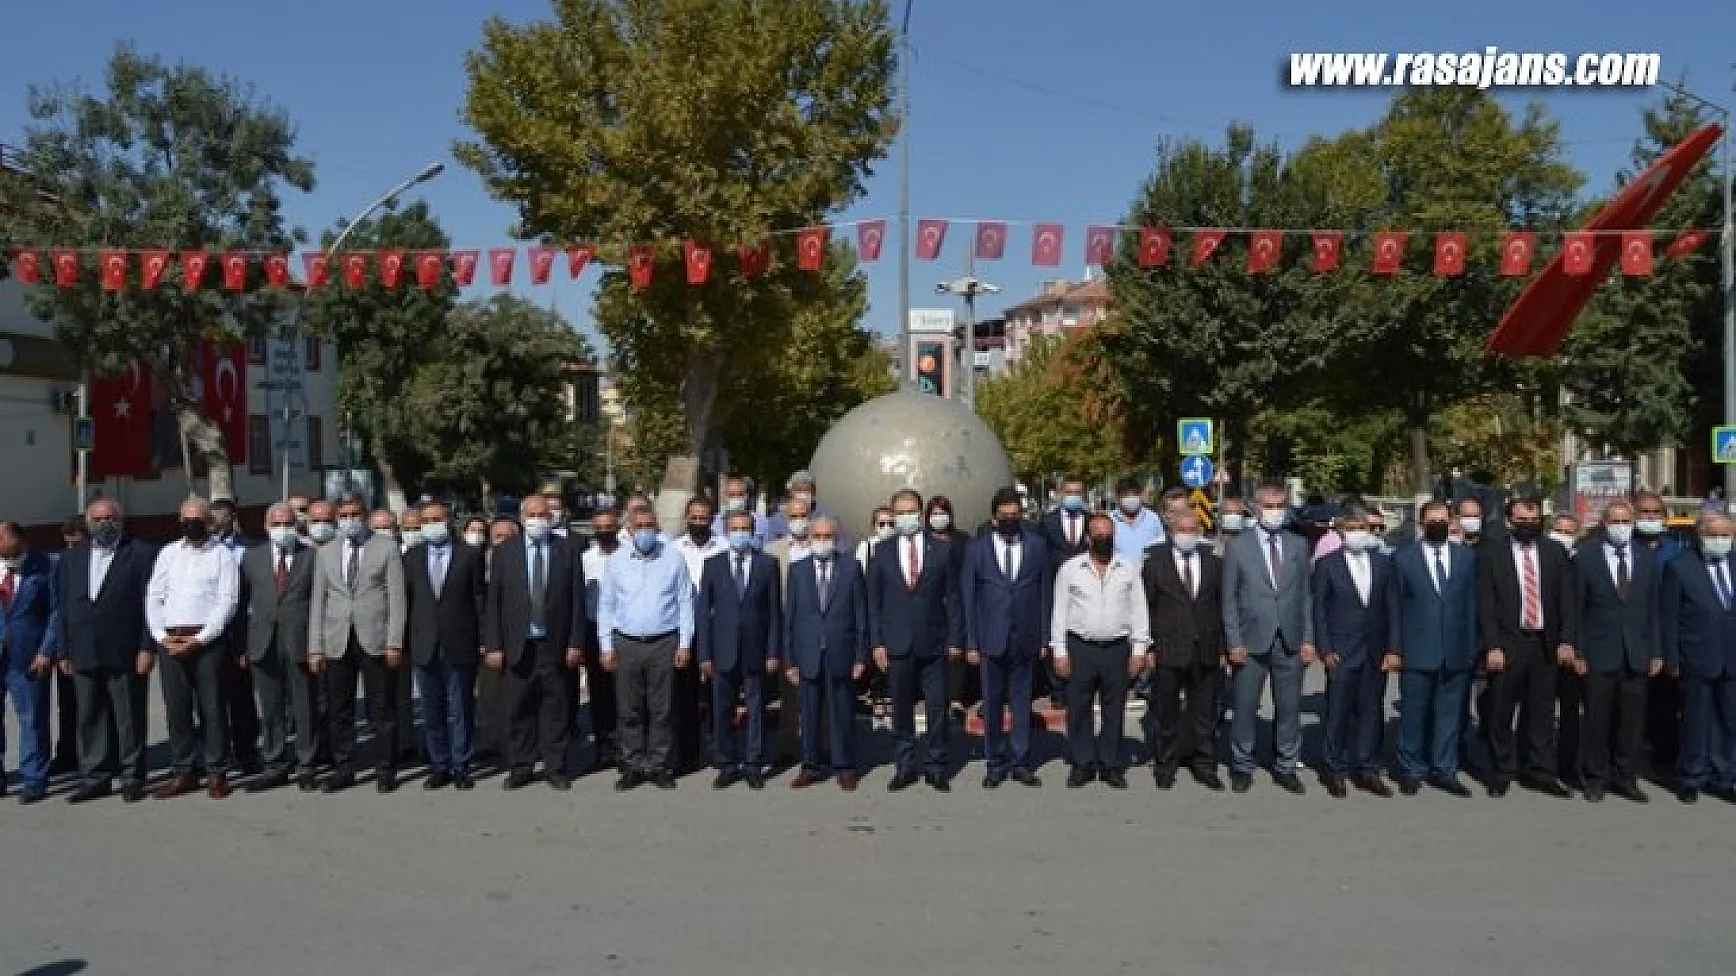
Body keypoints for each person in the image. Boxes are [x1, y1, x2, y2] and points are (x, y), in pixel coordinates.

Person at [1476, 498, 1577, 799]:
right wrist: (1492, 645)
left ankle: (1540, 770)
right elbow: (1486, 603)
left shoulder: (1554, 552)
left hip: (1544, 643)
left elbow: (1566, 602)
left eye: (1534, 520)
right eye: (1522, 521)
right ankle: (1501, 771)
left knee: (1542, 712)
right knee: (1501, 710)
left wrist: (1566, 640)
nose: (1529, 526)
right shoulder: (1493, 553)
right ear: (1509, 522)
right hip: (1509, 643)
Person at [483, 495, 585, 791]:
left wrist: (575, 642)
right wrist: (494, 645)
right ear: (521, 517)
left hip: (555, 642)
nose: (539, 520)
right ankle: (521, 766)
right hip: (518, 644)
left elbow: (577, 601)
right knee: (518, 708)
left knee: (556, 708)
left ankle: (556, 766)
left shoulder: (566, 550)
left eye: (544, 514)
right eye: (533, 515)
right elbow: (494, 603)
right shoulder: (505, 552)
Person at [308, 495, 408, 793]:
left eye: (354, 514)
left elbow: (397, 597)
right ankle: (344, 768)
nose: (349, 520)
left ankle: (385, 769)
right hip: (338, 639)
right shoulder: (326, 552)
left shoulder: (386, 547)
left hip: (375, 638)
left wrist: (394, 642)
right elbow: (318, 601)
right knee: (340, 709)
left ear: (364, 516)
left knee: (382, 709)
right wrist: (316, 646)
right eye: (344, 515)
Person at [59, 499, 156, 804]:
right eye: (98, 519)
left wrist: (146, 646)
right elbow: (62, 608)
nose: (104, 524)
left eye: (110, 518)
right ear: (88, 523)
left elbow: (150, 605)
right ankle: (95, 776)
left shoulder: (141, 554)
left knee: (128, 716)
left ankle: (132, 775)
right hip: (83, 648)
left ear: (121, 520)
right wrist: (64, 650)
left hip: (125, 650)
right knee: (89, 715)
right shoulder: (71, 559)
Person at [1221, 483, 1315, 794]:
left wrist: (1307, 639)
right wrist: (1233, 641)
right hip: (1250, 640)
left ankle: (1286, 765)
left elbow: (1305, 597)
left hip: (1289, 638)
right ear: (1256, 508)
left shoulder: (1298, 545)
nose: (1276, 511)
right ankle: (1242, 764)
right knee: (1245, 707)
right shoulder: (1238, 546)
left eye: (1280, 505)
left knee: (1288, 707)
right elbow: (1229, 600)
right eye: (1269, 505)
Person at [146, 497, 242, 800]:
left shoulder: (222, 556)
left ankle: (216, 772)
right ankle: (183, 771)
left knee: (212, 709)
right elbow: (154, 596)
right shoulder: (168, 554)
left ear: (209, 522)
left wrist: (200, 638)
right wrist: (162, 636)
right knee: (177, 710)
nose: (192, 523)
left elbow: (228, 602)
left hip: (207, 641)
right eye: (186, 518)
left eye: (198, 518)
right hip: (171, 641)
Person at [868, 489, 964, 791]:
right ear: (893, 516)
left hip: (934, 642)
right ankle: (905, 765)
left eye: (912, 512)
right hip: (897, 643)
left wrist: (955, 638)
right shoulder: (881, 551)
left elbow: (953, 597)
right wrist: (877, 643)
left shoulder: (942, 549)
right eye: (901, 513)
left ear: (921, 514)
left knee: (937, 709)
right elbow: (874, 602)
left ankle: (936, 765)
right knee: (901, 708)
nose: (907, 518)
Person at [598, 503, 695, 791]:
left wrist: (685, 643)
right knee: (629, 710)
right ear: (628, 530)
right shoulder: (616, 562)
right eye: (638, 527)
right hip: (626, 643)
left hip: (664, 642)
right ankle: (632, 765)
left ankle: (658, 765)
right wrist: (606, 646)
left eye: (649, 526)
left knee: (661, 709)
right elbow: (606, 605)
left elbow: (685, 602)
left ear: (657, 527)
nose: (644, 532)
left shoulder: (674, 559)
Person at [1051, 512, 1150, 788]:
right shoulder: (1071, 569)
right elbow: (1059, 612)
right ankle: (1082, 763)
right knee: (1079, 708)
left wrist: (1139, 649)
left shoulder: (1127, 569)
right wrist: (1059, 651)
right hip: (1080, 647)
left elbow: (1138, 610)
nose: (1104, 538)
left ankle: (1110, 763)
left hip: (1117, 648)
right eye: (1098, 533)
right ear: (1088, 538)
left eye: (1108, 533)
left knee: (1113, 708)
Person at [1570, 500, 1660, 803]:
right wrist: (1579, 652)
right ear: (1604, 523)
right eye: (1615, 521)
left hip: (1636, 653)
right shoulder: (1586, 557)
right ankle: (1596, 777)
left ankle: (1626, 777)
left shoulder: (1647, 559)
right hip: (1598, 653)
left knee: (1631, 723)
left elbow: (1653, 610)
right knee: (1597, 719)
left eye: (1626, 521)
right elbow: (1576, 609)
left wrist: (1656, 652)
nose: (1621, 526)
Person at [961, 487, 1050, 789]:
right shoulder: (977, 548)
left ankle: (1021, 762)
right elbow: (969, 597)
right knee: (993, 702)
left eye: (1016, 515)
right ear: (994, 517)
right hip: (991, 638)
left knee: (1022, 702)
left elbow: (1044, 593)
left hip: (1026, 637)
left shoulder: (1036, 545)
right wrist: (971, 642)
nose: (1011, 520)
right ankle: (995, 763)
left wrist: (1044, 637)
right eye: (1005, 515)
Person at [1388, 500, 1479, 797]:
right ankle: (1411, 769)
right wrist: (1395, 649)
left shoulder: (1465, 558)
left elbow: (1471, 606)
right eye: (1432, 520)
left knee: (1450, 715)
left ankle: (1445, 769)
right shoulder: (1403, 559)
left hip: (1456, 650)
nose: (1438, 525)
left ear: (1450, 522)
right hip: (1417, 649)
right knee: (1413, 714)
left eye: (1443, 520)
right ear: (1421, 524)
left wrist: (1473, 647)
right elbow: (1395, 607)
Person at [1310, 506, 1394, 798]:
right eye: (1352, 528)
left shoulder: (1383, 564)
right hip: (1341, 650)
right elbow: (1319, 610)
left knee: (1372, 711)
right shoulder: (1327, 564)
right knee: (1338, 712)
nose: (1359, 533)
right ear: (1342, 532)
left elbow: (1392, 608)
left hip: (1375, 649)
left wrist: (1393, 649)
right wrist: (1325, 649)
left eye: (1364, 528)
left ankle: (1368, 769)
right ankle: (1335, 769)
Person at [695, 510, 781, 789]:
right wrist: (704, 654)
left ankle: (754, 763)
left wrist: (772, 652)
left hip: (755, 650)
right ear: (726, 532)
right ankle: (727, 763)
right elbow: (703, 613)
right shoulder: (713, 565)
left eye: (745, 528)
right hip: (722, 651)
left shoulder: (768, 565)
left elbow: (774, 614)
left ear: (753, 532)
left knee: (756, 708)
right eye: (735, 528)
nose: (740, 533)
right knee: (722, 709)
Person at [238, 503, 320, 793]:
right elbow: (241, 604)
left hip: (299, 641)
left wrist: (316, 646)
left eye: (287, 523)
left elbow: (318, 603)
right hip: (263, 641)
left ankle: (306, 763)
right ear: (265, 525)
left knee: (304, 705)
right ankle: (274, 763)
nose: (282, 529)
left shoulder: (310, 557)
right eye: (276, 523)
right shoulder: (251, 557)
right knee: (270, 707)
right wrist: (242, 646)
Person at [406, 502, 487, 791]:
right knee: (431, 709)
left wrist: (483, 640)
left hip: (460, 641)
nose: (430, 525)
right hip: (424, 642)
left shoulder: (469, 555)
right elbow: (409, 602)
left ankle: (461, 765)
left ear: (449, 520)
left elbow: (479, 600)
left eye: (436, 519)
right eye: (425, 520)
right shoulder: (412, 556)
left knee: (461, 707)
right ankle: (438, 765)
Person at [1141, 511, 1224, 791]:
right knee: (1167, 712)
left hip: (1206, 646)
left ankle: (1205, 765)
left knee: (1205, 713)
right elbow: (1146, 607)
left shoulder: (1212, 561)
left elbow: (1220, 605)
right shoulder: (1155, 563)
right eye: (1182, 529)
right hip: (1168, 647)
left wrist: (1223, 647)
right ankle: (1165, 765)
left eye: (1192, 529)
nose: (1187, 534)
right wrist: (1148, 646)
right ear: (1171, 531)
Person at [783, 516, 867, 790]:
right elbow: (791, 618)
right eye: (817, 536)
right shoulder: (797, 570)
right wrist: (790, 660)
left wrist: (860, 656)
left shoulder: (851, 568)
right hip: (807, 653)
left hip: (840, 651)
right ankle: (810, 766)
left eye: (827, 536)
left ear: (836, 538)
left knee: (842, 711)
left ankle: (845, 766)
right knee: (808, 714)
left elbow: (860, 616)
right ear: (808, 539)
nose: (822, 541)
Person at [1659, 513, 1736, 804]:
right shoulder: (1680, 567)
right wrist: (1671, 657)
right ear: (1700, 536)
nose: (1720, 541)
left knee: (1730, 720)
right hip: (1696, 655)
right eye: (1713, 535)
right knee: (1696, 720)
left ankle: (1727, 776)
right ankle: (1693, 775)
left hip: (1732, 655)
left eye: (1726, 535)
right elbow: (1669, 617)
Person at [0, 521, 60, 803]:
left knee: (32, 717)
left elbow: (55, 612)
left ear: (21, 540)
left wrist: (47, 650)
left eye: (6, 543)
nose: (4, 552)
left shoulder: (46, 566)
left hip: (29, 655)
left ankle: (34, 778)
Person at [672, 496, 727, 772]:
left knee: (720, 692)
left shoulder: (724, 547)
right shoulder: (673, 549)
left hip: (718, 629)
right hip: (685, 629)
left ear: (712, 518)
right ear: (686, 517)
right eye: (693, 518)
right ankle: (687, 752)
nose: (698, 523)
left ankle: (721, 749)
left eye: (703, 518)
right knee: (685, 694)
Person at [209, 494, 262, 776]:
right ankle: (217, 753)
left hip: (241, 632)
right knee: (212, 698)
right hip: (210, 633)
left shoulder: (251, 549)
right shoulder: (201, 550)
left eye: (223, 516)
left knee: (242, 697)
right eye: (212, 517)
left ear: (232, 518)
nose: (218, 522)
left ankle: (247, 752)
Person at [1634, 491, 1686, 775]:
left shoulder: (1676, 553)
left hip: (1666, 638)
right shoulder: (1624, 548)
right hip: (1631, 637)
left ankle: (1664, 758)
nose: (1650, 518)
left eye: (1655, 513)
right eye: (1644, 513)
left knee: (1665, 701)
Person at [1039, 477, 1093, 709]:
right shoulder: (1048, 522)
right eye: (1069, 491)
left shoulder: (1092, 521)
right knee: (1057, 635)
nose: (1073, 496)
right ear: (1061, 493)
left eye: (1078, 492)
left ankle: (1081, 684)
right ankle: (1057, 690)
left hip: (1086, 587)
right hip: (1055, 585)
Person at [925, 494, 977, 721]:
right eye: (934, 513)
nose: (939, 518)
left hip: (958, 598)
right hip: (931, 602)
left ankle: (956, 698)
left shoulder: (962, 540)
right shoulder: (923, 541)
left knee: (957, 649)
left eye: (943, 512)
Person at [579, 508, 622, 772]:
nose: (604, 531)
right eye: (599, 527)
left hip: (623, 631)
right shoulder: (585, 560)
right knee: (599, 693)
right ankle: (603, 748)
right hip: (594, 630)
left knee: (625, 694)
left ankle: (625, 748)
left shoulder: (629, 555)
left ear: (617, 527)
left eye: (609, 526)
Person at [49, 516, 86, 775]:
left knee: (97, 705)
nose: (71, 548)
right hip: (68, 645)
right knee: (68, 704)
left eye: (77, 543)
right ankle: (67, 754)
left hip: (93, 644)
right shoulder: (61, 564)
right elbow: (57, 608)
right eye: (68, 543)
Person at [1110, 476, 1165, 564]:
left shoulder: (1153, 518)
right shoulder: (1109, 520)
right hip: (1120, 574)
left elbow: (1162, 546)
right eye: (1126, 495)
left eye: (1134, 494)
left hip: (1149, 573)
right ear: (1117, 498)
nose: (1131, 498)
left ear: (1141, 495)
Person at [711, 475, 769, 547]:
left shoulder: (761, 522)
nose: (736, 498)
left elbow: (768, 549)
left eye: (740, 494)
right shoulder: (714, 522)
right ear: (725, 496)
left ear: (747, 495)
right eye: (732, 495)